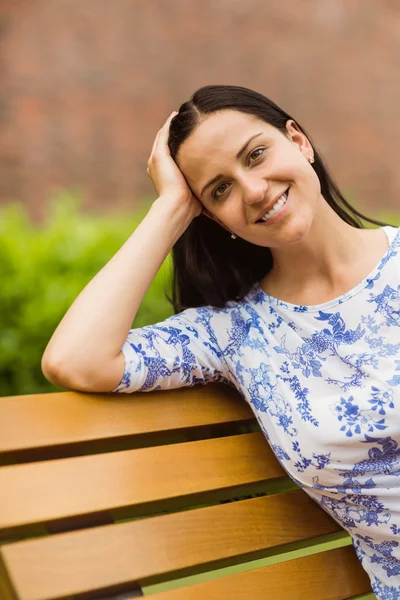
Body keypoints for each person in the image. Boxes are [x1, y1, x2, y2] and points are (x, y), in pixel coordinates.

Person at [41, 85, 400, 598]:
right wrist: (169, 207)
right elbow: (75, 359)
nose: (253, 190)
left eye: (256, 155)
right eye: (219, 191)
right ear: (209, 218)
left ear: (299, 141)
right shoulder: (234, 335)